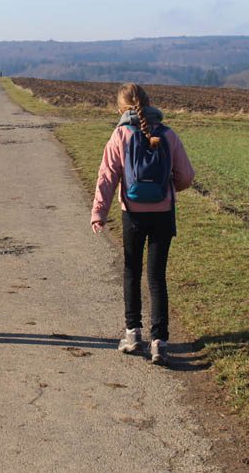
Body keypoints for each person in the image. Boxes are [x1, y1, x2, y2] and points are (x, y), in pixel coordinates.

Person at [90, 83, 194, 366]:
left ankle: (133, 334)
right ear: (149, 104)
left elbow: (107, 177)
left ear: (121, 108)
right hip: (163, 214)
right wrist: (168, 187)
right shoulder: (169, 135)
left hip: (132, 215)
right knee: (157, 277)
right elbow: (186, 176)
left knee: (131, 271)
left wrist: (99, 213)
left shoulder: (120, 135)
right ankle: (159, 342)